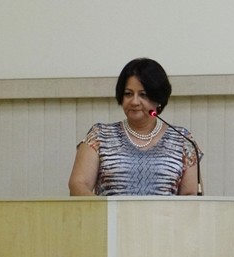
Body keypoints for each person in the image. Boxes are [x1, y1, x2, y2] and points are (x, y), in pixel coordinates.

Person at [68, 58, 203, 196]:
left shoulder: (182, 140)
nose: (134, 101)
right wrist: (103, 208)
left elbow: (191, 197)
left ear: (159, 98)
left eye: (143, 94)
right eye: (128, 94)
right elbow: (78, 186)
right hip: (109, 211)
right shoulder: (99, 136)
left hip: (166, 212)